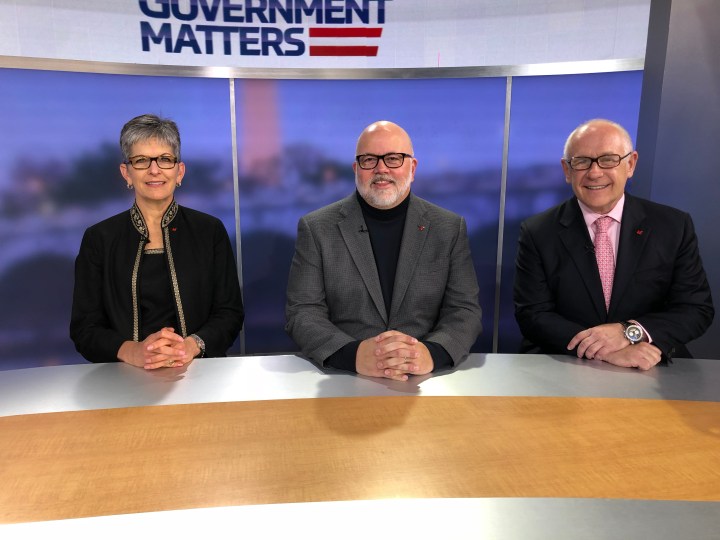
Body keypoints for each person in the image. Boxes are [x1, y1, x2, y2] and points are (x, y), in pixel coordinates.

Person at [285, 120, 482, 381]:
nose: (381, 169)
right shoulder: (316, 228)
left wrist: (431, 354)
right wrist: (353, 355)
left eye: (393, 159)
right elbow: (303, 312)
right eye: (369, 160)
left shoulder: (448, 228)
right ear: (356, 169)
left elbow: (465, 310)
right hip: (344, 377)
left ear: (413, 167)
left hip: (429, 378)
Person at [514, 119, 713, 370]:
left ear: (631, 164)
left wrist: (629, 333)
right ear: (567, 170)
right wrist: (604, 351)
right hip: (566, 364)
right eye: (582, 161)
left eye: (608, 160)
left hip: (651, 363)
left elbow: (695, 308)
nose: (594, 172)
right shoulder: (538, 232)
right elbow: (533, 315)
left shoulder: (673, 226)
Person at [70, 114, 243, 369]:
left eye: (165, 159)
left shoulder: (209, 231)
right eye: (141, 161)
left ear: (179, 171)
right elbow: (85, 328)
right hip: (124, 375)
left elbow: (230, 313)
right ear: (126, 173)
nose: (154, 170)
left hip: (200, 371)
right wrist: (134, 352)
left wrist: (190, 346)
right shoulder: (99, 239)